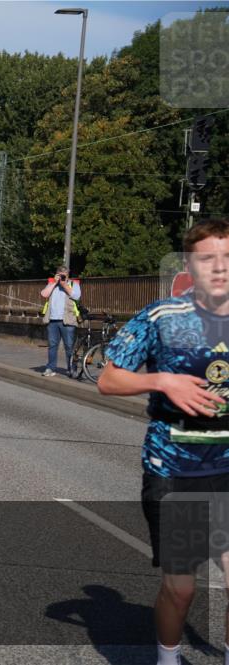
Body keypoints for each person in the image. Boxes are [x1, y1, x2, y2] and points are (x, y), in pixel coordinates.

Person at [98, 219, 229, 665]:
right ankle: (168, 658)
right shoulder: (162, 317)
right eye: (208, 258)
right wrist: (163, 381)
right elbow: (109, 379)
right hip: (175, 470)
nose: (220, 268)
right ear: (191, 265)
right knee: (182, 588)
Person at [39, 265, 82, 377]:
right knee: (52, 345)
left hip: (67, 320)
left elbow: (76, 296)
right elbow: (44, 294)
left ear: (68, 275)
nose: (62, 277)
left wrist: (64, 284)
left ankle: (71, 369)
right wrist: (54, 283)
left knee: (69, 346)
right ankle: (50, 368)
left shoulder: (73, 284)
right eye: (60, 274)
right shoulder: (52, 284)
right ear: (57, 274)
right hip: (52, 319)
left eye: (65, 275)